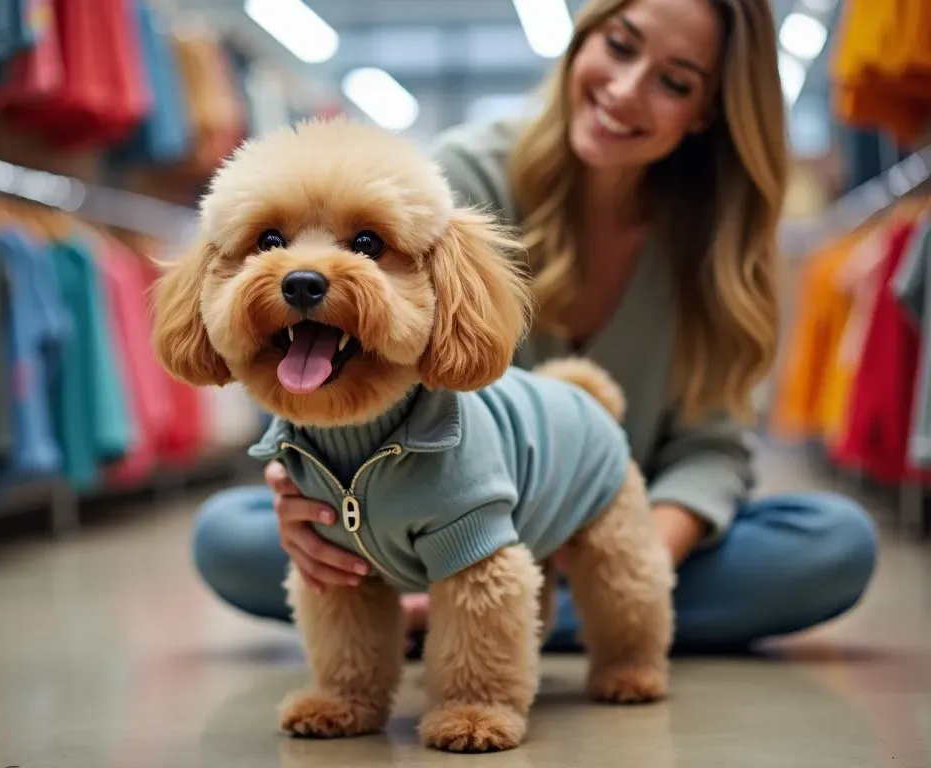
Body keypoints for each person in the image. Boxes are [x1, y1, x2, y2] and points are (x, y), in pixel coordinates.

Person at [190, 0, 878, 653]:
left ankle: (529, 617)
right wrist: (307, 500)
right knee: (230, 535)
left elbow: (714, 451)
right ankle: (518, 617)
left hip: (621, 519)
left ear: (708, 110)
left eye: (674, 80)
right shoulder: (455, 178)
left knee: (833, 543)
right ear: (585, 38)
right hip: (427, 510)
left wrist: (625, 565)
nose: (626, 90)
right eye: (620, 45)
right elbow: (351, 381)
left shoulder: (719, 246)